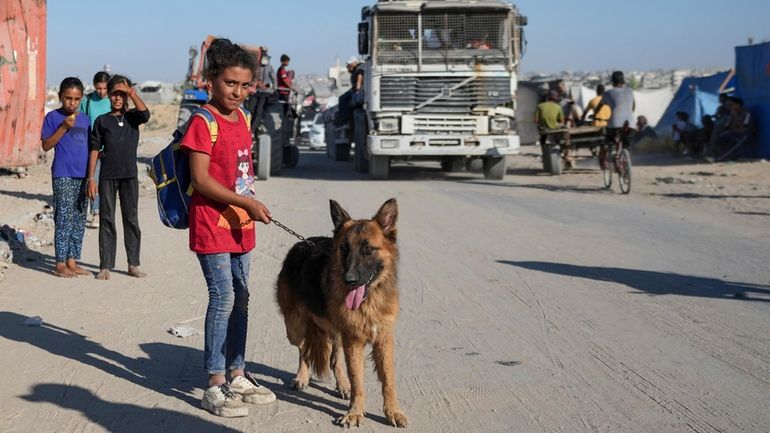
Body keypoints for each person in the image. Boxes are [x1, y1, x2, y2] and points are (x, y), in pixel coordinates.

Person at [179, 38, 276, 418]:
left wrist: (249, 205)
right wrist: (247, 203)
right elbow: (201, 180)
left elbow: (241, 173)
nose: (237, 92)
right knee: (223, 297)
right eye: (230, 83)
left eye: (244, 84)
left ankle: (238, 372)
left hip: (240, 227)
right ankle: (215, 383)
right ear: (211, 81)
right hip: (212, 226)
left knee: (243, 296)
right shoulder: (203, 122)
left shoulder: (245, 118)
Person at [86, 75, 149, 281]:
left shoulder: (132, 118)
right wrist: (91, 178)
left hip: (129, 175)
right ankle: (105, 265)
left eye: (122, 95)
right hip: (107, 176)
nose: (117, 98)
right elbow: (94, 149)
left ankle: (133, 264)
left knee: (131, 220)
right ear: (109, 96)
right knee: (106, 219)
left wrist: (131, 91)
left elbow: (145, 114)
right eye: (114, 94)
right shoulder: (102, 121)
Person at [41, 77, 92, 278]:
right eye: (68, 98)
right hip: (63, 174)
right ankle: (60, 263)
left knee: (79, 218)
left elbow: (91, 148)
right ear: (61, 96)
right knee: (63, 217)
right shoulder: (53, 118)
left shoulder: (86, 119)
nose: (72, 102)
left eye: (76, 99)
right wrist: (63, 128)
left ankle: (72, 260)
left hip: (83, 176)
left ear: (81, 99)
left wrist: (91, 176)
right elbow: (46, 145)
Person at [79, 71, 111, 229]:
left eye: (105, 88)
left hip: (112, 148)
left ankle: (107, 211)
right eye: (99, 88)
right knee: (94, 180)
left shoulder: (113, 99)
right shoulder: (88, 100)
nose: (102, 92)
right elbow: (82, 121)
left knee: (108, 182)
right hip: (93, 147)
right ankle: (96, 212)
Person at [600, 71, 636, 151]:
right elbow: (633, 106)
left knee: (608, 139)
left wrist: (596, 115)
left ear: (612, 82)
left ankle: (611, 154)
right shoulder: (630, 91)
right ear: (623, 81)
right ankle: (625, 155)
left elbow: (600, 106)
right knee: (626, 143)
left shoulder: (607, 93)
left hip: (614, 124)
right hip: (630, 124)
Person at [243, 48, 275, 134]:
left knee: (259, 110)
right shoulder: (256, 67)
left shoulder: (270, 67)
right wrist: (256, 83)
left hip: (265, 93)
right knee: (250, 109)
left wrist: (272, 88)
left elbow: (273, 79)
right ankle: (247, 127)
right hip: (255, 91)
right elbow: (251, 77)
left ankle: (252, 130)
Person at [535, 90, 570, 163]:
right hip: (555, 128)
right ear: (555, 99)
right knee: (562, 137)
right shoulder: (558, 107)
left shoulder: (540, 106)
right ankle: (564, 153)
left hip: (544, 129)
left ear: (548, 98)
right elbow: (562, 121)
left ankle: (544, 152)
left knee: (542, 139)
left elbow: (536, 120)